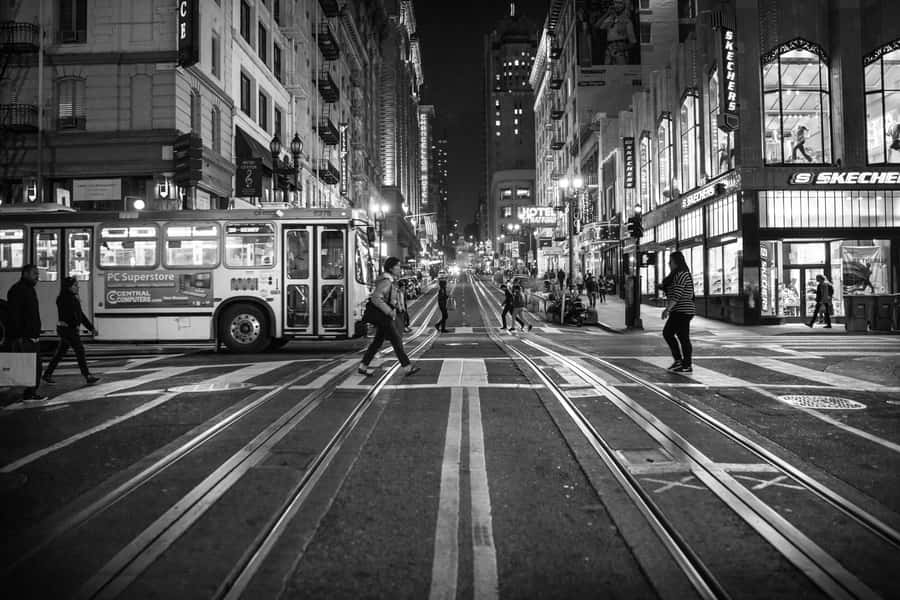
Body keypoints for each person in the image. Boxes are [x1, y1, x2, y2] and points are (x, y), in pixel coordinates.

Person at [358, 257, 419, 377]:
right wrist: (389, 311)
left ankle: (363, 366)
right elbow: (376, 298)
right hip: (384, 316)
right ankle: (407, 367)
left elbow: (391, 298)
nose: (400, 268)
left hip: (383, 316)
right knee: (396, 341)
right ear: (391, 268)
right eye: (398, 266)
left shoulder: (391, 281)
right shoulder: (386, 281)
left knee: (377, 342)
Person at [42, 276, 101, 385]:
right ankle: (87, 376)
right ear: (68, 287)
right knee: (80, 351)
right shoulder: (64, 299)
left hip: (69, 329)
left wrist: (91, 328)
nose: (77, 287)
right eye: (75, 285)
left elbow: (80, 315)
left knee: (60, 353)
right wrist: (75, 324)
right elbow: (69, 315)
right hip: (67, 330)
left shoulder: (73, 297)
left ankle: (47, 374)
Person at [7, 264, 46, 402]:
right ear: (25, 274)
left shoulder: (28, 289)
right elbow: (14, 316)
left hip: (32, 335)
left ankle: (30, 393)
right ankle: (29, 394)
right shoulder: (18, 290)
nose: (37, 276)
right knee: (34, 367)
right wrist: (19, 336)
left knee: (35, 366)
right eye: (35, 273)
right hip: (26, 336)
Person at [660, 251, 695, 373]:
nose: (669, 263)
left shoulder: (682, 274)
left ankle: (685, 363)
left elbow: (677, 294)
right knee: (678, 335)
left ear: (676, 262)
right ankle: (681, 362)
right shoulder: (678, 274)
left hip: (683, 310)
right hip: (679, 310)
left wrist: (667, 309)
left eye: (671, 261)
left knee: (674, 335)